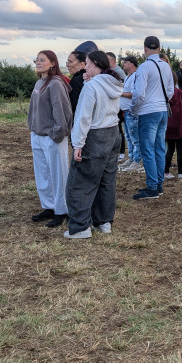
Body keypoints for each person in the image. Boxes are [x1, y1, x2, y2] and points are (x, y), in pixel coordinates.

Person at [65, 50, 123, 238]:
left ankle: (81, 227)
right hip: (113, 133)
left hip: (95, 135)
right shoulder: (113, 83)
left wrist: (77, 144)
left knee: (81, 181)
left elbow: (83, 117)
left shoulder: (91, 87)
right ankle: (104, 222)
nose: (85, 67)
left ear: (96, 64)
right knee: (107, 180)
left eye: (87, 64)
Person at [28, 50, 73, 228]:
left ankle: (62, 210)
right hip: (38, 135)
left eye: (42, 60)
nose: (38, 62)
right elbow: (34, 109)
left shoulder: (55, 84)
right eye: (36, 59)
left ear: (52, 63)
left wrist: (57, 133)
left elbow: (62, 110)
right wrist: (32, 128)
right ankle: (49, 206)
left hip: (52, 137)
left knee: (58, 174)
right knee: (43, 175)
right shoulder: (40, 82)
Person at [130, 35, 174, 200]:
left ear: (145, 48)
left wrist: (134, 109)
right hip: (163, 110)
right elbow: (170, 91)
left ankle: (152, 187)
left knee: (147, 150)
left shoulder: (144, 67)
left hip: (148, 111)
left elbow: (139, 93)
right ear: (160, 48)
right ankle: (158, 184)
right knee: (159, 149)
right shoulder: (166, 66)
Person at [119, 56, 143, 173]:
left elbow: (134, 93)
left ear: (132, 64)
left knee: (135, 138)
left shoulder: (135, 76)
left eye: (126, 62)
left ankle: (137, 161)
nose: (123, 64)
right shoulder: (128, 76)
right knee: (129, 136)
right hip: (126, 112)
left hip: (132, 111)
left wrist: (120, 93)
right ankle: (132, 158)